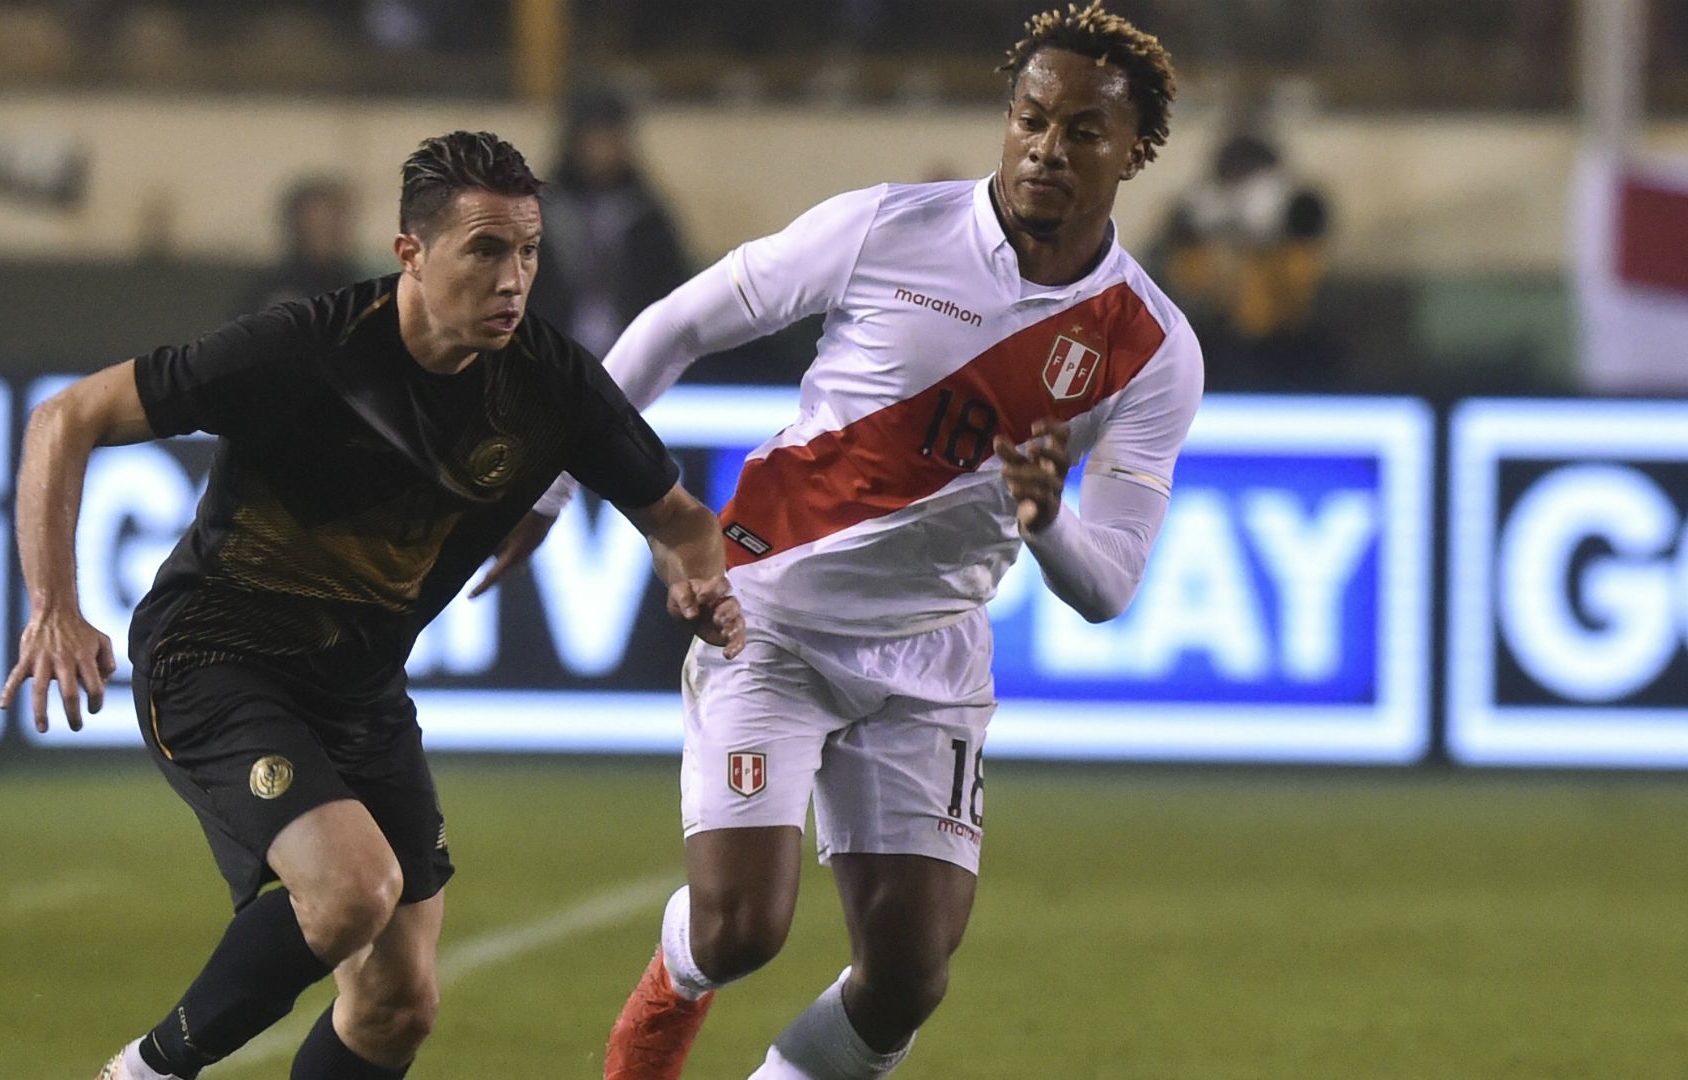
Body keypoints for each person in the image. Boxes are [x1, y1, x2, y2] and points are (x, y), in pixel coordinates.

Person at [479, 5, 1202, 1077]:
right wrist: (546, 489)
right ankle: (656, 1015)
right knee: (739, 930)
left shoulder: (1152, 350)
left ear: (1134, 152)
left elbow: (1112, 584)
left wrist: (1048, 525)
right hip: (768, 615)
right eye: (1030, 118)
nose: (1047, 148)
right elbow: (674, 327)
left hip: (932, 656)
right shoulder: (887, 228)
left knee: (908, 979)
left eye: (1083, 132)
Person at [0, 131, 745, 1080]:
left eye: (528, 251)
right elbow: (65, 417)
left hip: (358, 692)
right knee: (354, 892)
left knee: (396, 1005)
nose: (514, 278)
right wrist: (54, 604)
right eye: (484, 249)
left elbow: (680, 519)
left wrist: (693, 574)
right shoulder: (303, 349)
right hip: (216, 658)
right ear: (411, 254)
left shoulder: (551, 384)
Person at [1159, 131, 1334, 389]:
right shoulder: (1192, 237)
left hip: (1290, 358)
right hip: (1213, 355)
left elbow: (1302, 287)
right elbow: (1182, 286)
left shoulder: (1298, 243)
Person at [532, 89, 691, 358]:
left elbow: (668, 291)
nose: (602, 149)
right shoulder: (541, 212)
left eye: (611, 137)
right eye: (593, 138)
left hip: (633, 353)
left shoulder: (647, 215)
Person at [237, 175, 364, 314]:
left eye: (335, 221)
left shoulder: (359, 287)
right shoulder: (274, 291)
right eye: (317, 224)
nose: (326, 232)